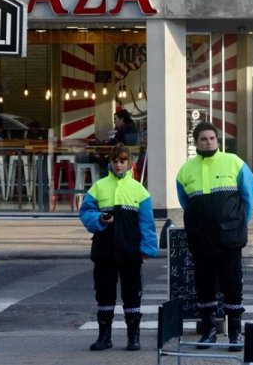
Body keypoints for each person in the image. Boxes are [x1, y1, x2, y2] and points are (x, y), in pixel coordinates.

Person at [176, 122, 253, 352]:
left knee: (232, 285)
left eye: (212, 138)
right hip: (201, 239)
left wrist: (238, 223)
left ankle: (234, 334)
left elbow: (248, 197)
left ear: (218, 140)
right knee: (205, 286)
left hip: (229, 237)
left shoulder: (234, 162)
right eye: (203, 139)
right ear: (196, 142)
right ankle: (209, 331)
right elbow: (185, 201)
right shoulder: (185, 171)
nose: (209, 142)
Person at [79, 143, 158, 351]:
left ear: (129, 163)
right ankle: (104, 337)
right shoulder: (99, 186)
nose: (119, 165)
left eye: (123, 161)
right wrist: (99, 218)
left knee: (132, 294)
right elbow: (86, 213)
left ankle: (134, 337)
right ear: (110, 163)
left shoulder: (139, 190)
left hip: (130, 252)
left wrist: (147, 249)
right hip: (104, 251)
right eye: (115, 161)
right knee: (104, 294)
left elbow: (147, 223)